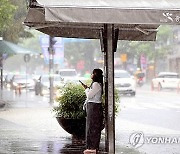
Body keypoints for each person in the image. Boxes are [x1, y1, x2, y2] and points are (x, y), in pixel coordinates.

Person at [81, 68, 104, 154]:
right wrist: (88, 88)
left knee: (92, 126)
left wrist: (86, 89)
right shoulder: (97, 84)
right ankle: (92, 147)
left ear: (95, 75)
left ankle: (92, 147)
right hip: (93, 106)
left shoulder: (96, 84)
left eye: (93, 73)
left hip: (94, 107)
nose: (91, 74)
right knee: (92, 126)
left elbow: (89, 96)